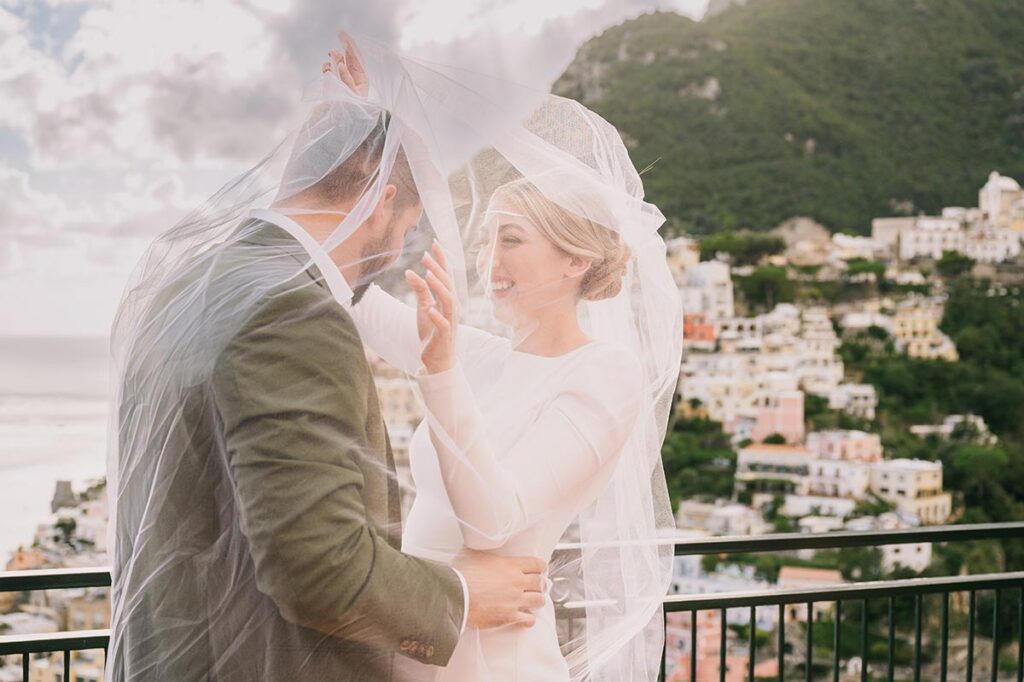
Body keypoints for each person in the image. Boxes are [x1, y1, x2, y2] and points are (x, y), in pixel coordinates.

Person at [106, 35, 546, 681]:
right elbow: (318, 569)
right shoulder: (295, 312)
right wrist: (461, 596)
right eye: (407, 225)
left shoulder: (195, 283)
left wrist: (357, 123)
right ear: (381, 197)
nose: (399, 251)